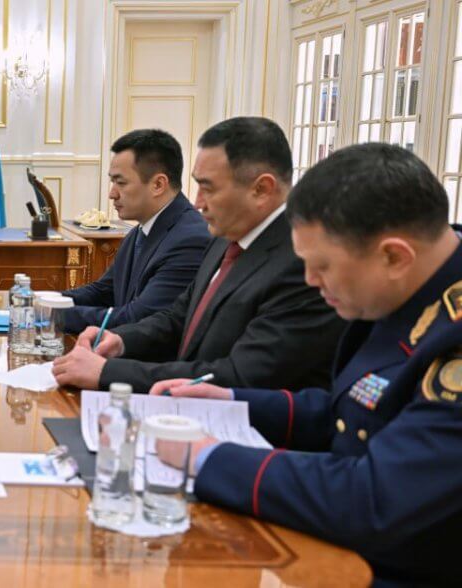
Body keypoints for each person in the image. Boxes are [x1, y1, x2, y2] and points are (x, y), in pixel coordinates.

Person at [152, 143, 462, 586]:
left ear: (394, 256)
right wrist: (232, 402)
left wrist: (207, 458)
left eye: (322, 266)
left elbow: (375, 499)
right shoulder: (409, 288)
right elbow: (352, 412)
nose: (311, 281)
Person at [52, 117, 344, 393]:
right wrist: (120, 340)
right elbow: (178, 318)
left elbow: (240, 375)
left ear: (262, 189)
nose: (197, 202)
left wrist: (108, 372)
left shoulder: (301, 264)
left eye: (208, 188)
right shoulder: (223, 239)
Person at [59, 129, 210, 333]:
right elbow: (104, 291)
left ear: (158, 184)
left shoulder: (190, 240)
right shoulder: (140, 230)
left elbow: (138, 318)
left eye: (121, 183)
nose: (112, 194)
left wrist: (52, 315)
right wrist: (43, 300)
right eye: (112, 182)